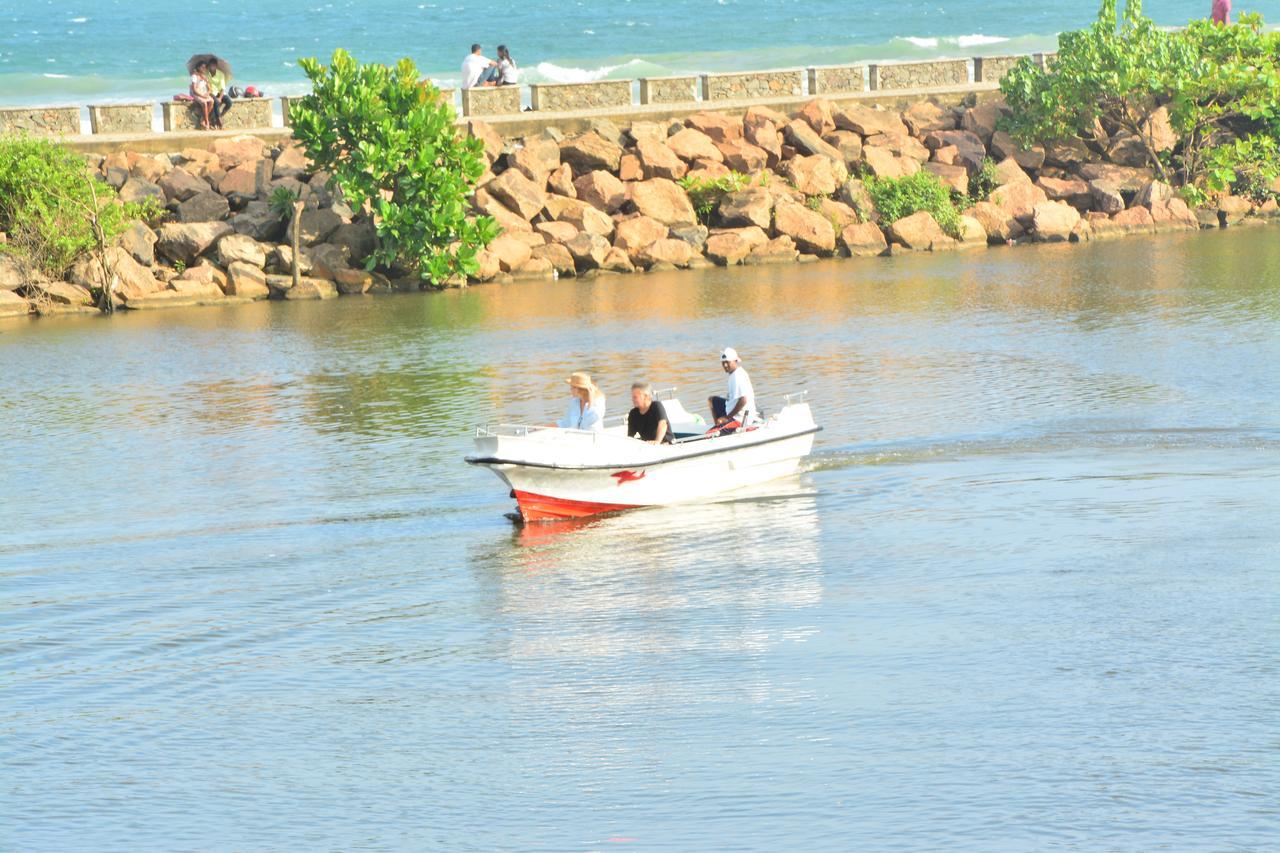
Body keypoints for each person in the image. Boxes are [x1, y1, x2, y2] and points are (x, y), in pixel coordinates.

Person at [708, 346, 755, 432]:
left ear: (735, 361)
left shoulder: (738, 376)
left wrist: (726, 418)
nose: (725, 365)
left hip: (740, 419)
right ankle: (719, 426)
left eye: (727, 362)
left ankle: (719, 429)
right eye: (723, 363)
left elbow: (743, 400)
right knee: (712, 400)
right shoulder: (733, 374)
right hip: (732, 412)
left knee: (709, 434)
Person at [207, 57, 233, 129]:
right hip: (210, 93)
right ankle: (218, 121)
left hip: (219, 93)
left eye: (213, 66)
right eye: (210, 66)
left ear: (216, 66)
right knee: (216, 101)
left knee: (229, 102)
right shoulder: (206, 74)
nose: (212, 67)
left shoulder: (220, 74)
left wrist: (220, 98)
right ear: (208, 66)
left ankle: (220, 116)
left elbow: (222, 88)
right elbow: (206, 86)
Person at [189, 62, 215, 130]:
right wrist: (202, 96)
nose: (204, 69)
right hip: (196, 93)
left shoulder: (204, 77)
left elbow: (209, 89)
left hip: (203, 93)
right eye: (202, 67)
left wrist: (208, 93)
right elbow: (194, 89)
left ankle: (203, 119)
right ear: (198, 68)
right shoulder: (194, 76)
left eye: (205, 67)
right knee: (204, 103)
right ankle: (207, 123)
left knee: (212, 101)